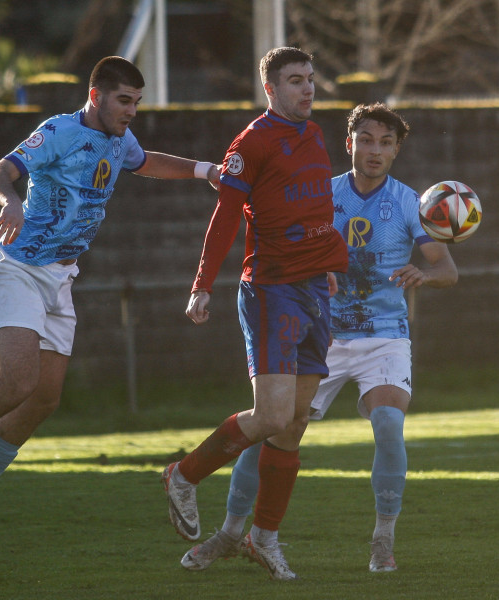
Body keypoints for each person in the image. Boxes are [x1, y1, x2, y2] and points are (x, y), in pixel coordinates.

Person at [0, 56, 220, 546]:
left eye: (137, 102)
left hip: (60, 279)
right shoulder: (57, 131)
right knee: (17, 381)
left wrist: (207, 171)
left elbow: (146, 162)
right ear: (96, 97)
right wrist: (8, 199)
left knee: (45, 397)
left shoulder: (120, 140)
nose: (132, 110)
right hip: (17, 269)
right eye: (124, 100)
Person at [178, 103, 458, 574]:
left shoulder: (410, 202)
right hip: (319, 332)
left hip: (384, 338)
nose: (375, 150)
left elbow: (447, 269)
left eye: (386, 143)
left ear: (396, 151)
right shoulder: (318, 195)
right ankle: (230, 533)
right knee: (272, 428)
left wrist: (424, 275)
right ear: (348, 144)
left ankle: (382, 542)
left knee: (389, 426)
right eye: (365, 140)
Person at [161, 47, 347, 581]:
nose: (308, 89)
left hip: (315, 288)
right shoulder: (252, 142)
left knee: (293, 425)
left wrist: (329, 261)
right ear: (271, 89)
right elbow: (224, 219)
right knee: (270, 416)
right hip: (271, 289)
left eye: (311, 79)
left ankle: (263, 539)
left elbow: (314, 207)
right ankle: (183, 474)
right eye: (295, 81)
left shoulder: (312, 135)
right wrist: (201, 286)